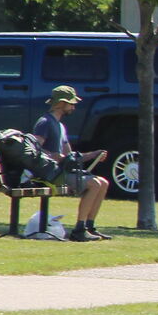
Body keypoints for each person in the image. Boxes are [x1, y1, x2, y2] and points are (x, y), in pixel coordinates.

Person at [30, 85, 110, 242]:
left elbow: (70, 156)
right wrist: (54, 156)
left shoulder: (60, 126)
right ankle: (79, 229)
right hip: (49, 174)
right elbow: (35, 150)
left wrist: (93, 155)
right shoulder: (45, 122)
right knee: (94, 184)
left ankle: (89, 226)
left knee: (103, 183)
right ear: (61, 103)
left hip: (62, 172)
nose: (73, 106)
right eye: (71, 103)